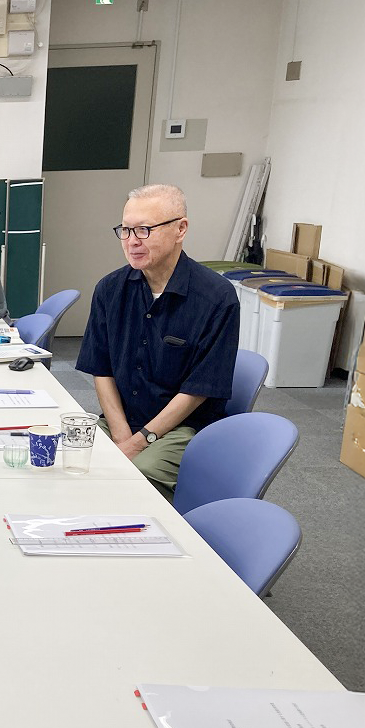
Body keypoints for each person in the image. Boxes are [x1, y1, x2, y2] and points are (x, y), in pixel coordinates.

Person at [76, 183, 239, 499]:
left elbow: (197, 391)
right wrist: (123, 434)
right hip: (121, 421)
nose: (132, 241)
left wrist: (139, 443)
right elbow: (102, 369)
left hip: (182, 429)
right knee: (69, 460)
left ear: (181, 229)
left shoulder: (216, 298)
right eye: (125, 230)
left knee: (136, 479)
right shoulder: (110, 290)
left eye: (144, 230)